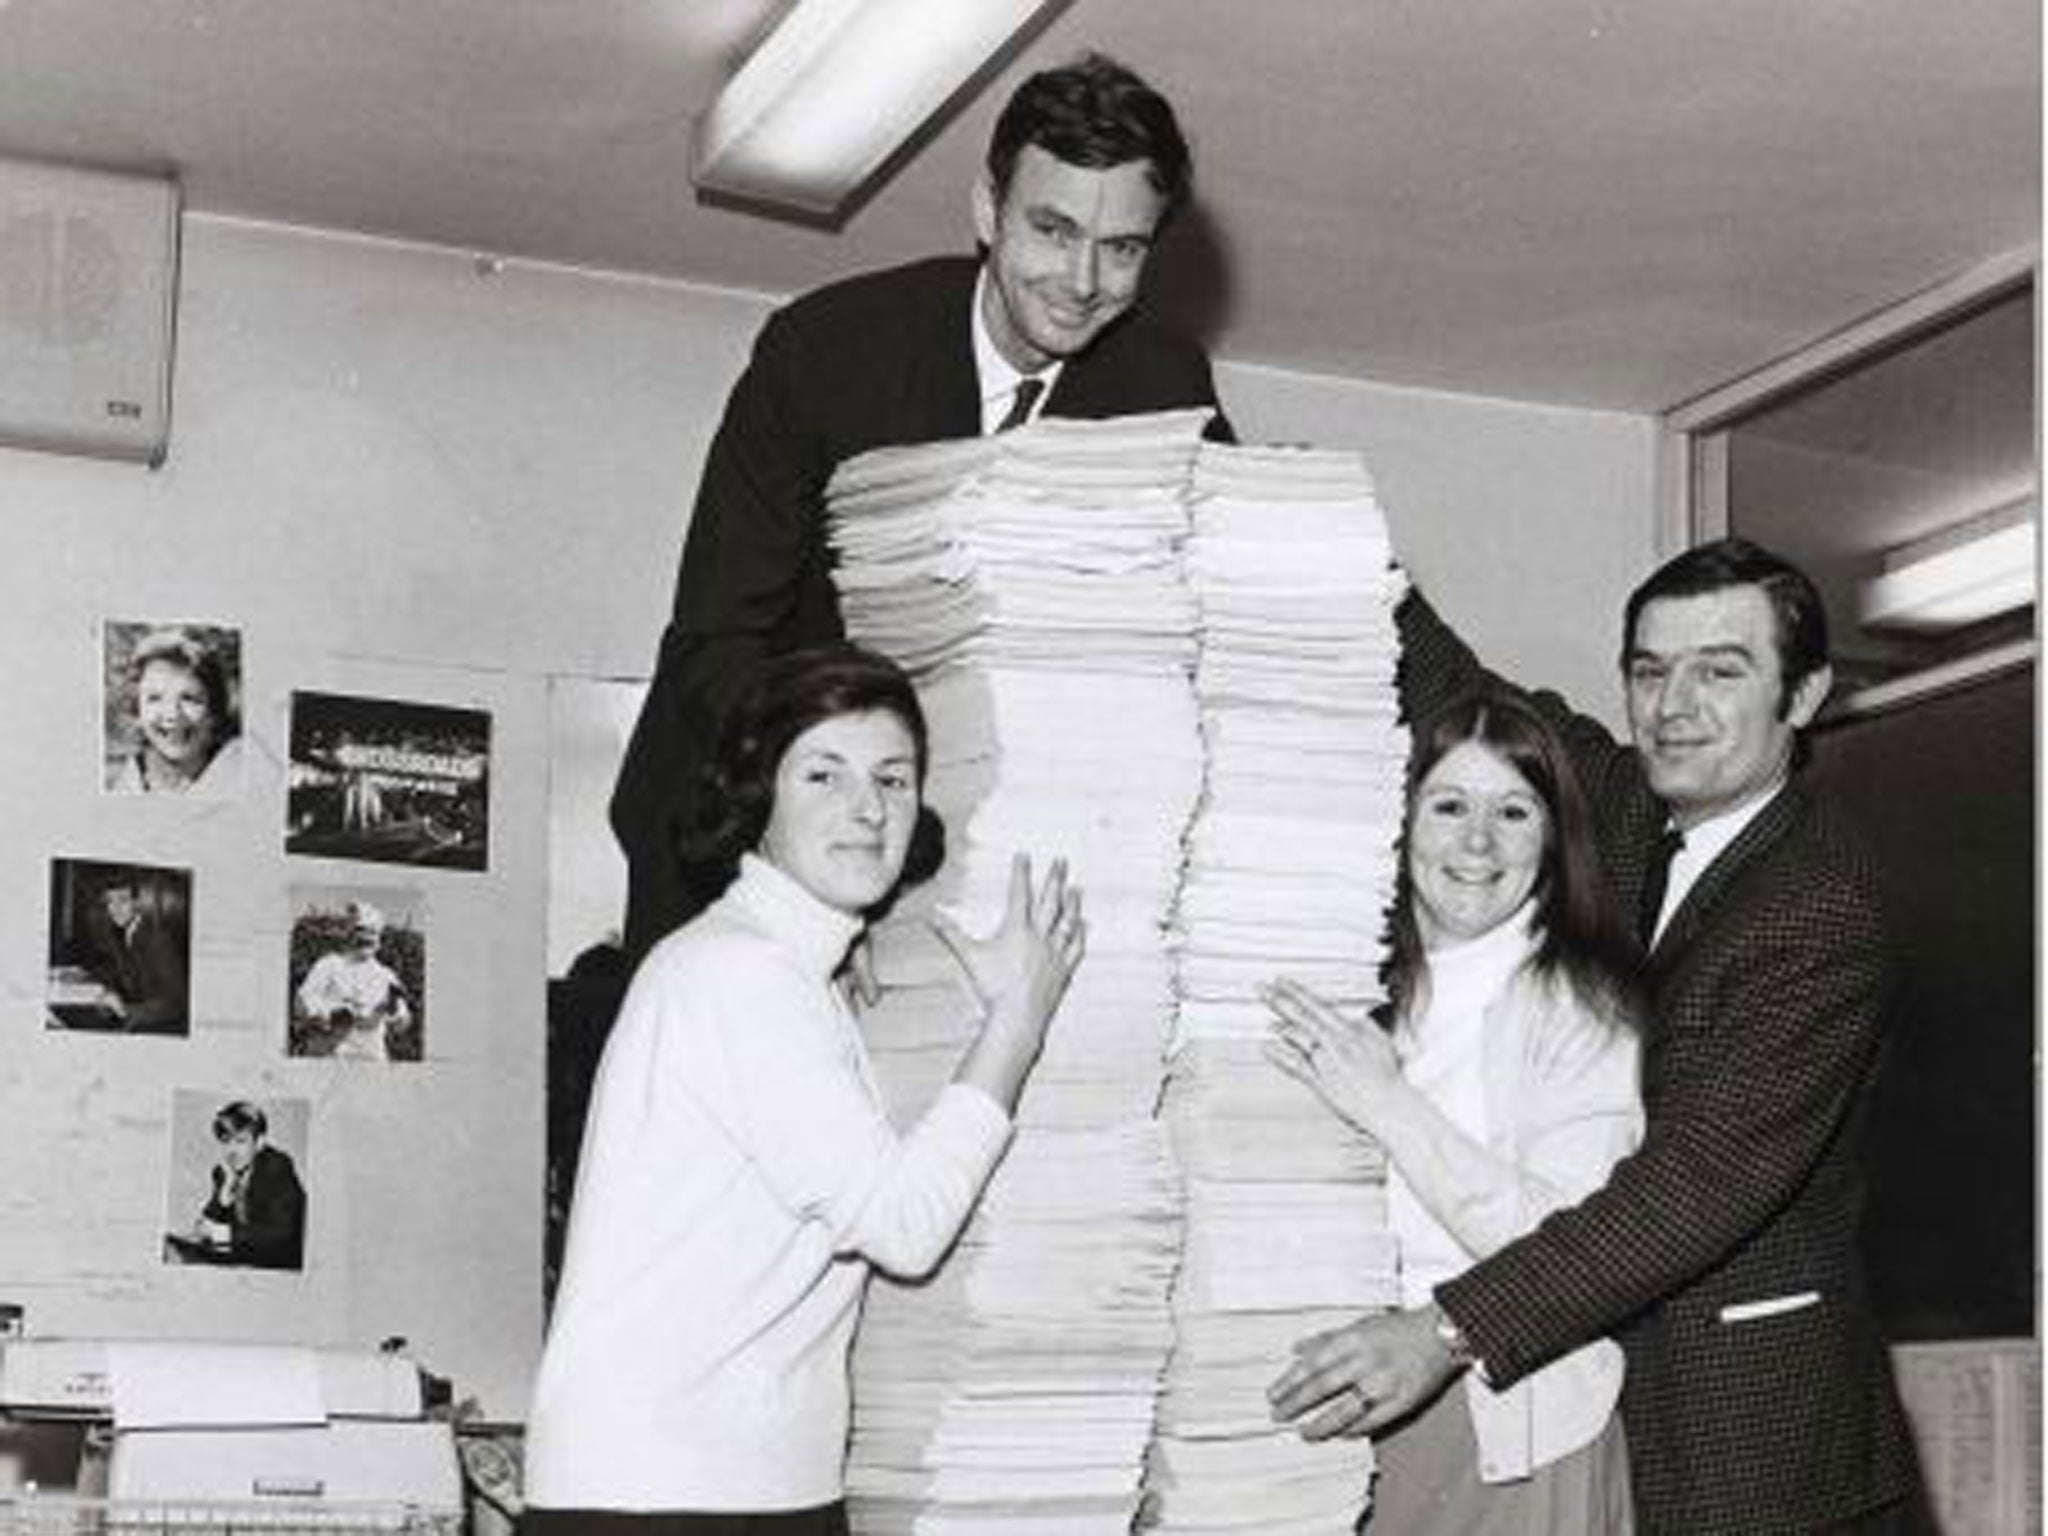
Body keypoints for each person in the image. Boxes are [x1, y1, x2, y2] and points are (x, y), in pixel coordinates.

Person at [1268, 539, 1925, 1534]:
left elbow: (1686, 1189)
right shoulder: (1631, 818)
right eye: (1649, 670)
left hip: (1754, 1445)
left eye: (1719, 670)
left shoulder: (1818, 905)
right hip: (1609, 1407)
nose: (1673, 704)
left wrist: (1447, 1330)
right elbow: (1458, 686)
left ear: (1803, 696)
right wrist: (1294, 516)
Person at [611, 50, 1233, 954]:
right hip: (740, 819)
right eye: (1053, 230)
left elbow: (1275, 572)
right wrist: (824, 872)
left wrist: (1472, 711)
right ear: (988, 208)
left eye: (1122, 248)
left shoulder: (1162, 384)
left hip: (970, 829)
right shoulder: (824, 355)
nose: (1083, 281)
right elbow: (718, 645)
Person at [522, 644, 1087, 1532]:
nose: (868, 809)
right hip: (667, 1493)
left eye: (894, 780)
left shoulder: (784, 968)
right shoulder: (741, 978)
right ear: (759, 798)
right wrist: (1017, 1020)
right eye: (824, 775)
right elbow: (904, 1225)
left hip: (735, 1479)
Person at [1264, 687, 1643, 1532]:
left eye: (1513, 811)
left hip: (1509, 1422)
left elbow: (1577, 1251)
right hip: (1353, 1406)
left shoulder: (1581, 1012)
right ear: (1404, 823)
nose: (1476, 841)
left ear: (1553, 840)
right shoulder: (1367, 991)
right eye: (1449, 805)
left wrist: (1389, 1103)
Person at [107, 626, 243, 794]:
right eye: (155, 698)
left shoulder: (238, 778)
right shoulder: (121, 786)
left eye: (189, 698)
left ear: (213, 711)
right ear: (136, 710)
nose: (172, 715)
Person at [189, 1100, 306, 1270]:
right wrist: (223, 1198)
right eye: (226, 1141)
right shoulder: (222, 1172)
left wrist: (224, 1233)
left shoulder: (277, 1166)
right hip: (243, 1264)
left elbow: (282, 1232)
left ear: (259, 1143)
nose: (232, 1151)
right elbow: (204, 1228)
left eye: (240, 1141)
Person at [295, 900, 413, 1061]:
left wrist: (395, 1013)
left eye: (372, 932)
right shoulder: (329, 965)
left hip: (371, 1060)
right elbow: (303, 1000)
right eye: (360, 930)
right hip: (330, 1057)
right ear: (349, 934)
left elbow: (401, 1022)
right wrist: (331, 1012)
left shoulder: (386, 976)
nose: (366, 937)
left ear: (379, 940)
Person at [92, 876, 188, 1033]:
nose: (115, 908)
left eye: (123, 900)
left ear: (136, 904)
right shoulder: (126, 932)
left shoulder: (157, 939)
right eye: (110, 902)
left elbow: (177, 1003)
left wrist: (124, 1009)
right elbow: (125, 975)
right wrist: (110, 990)